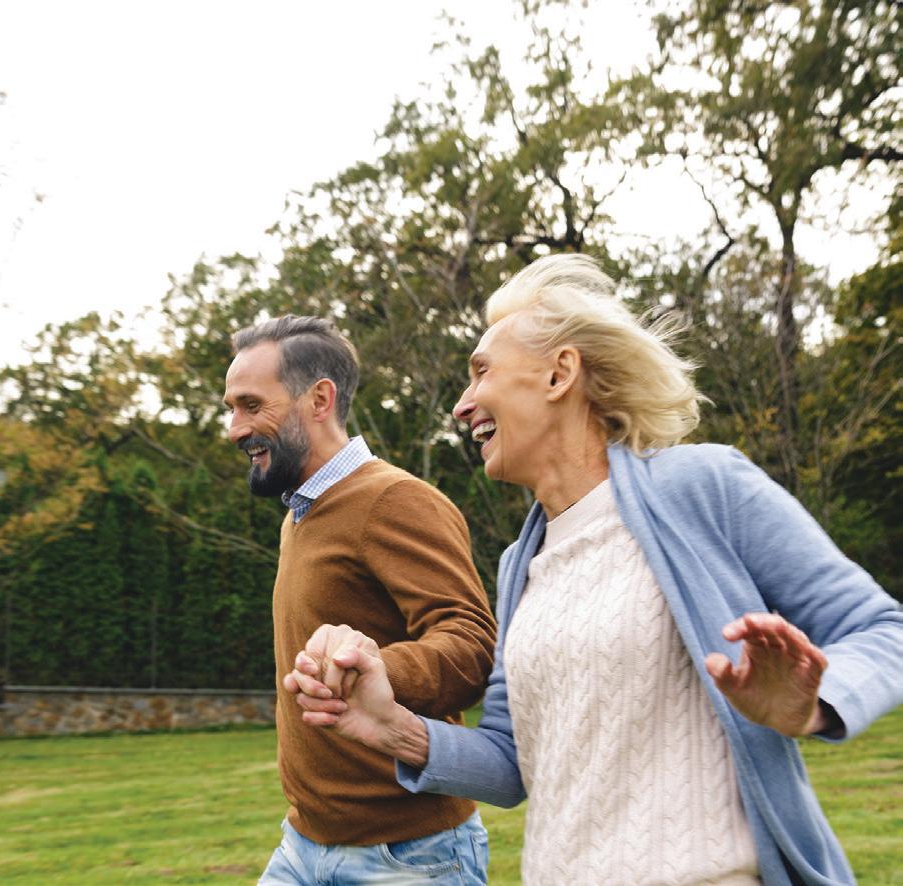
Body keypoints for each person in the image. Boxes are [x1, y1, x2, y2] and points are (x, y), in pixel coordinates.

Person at [283, 255, 903, 886]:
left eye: (481, 371)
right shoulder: (522, 564)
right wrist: (392, 728)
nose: (462, 406)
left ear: (560, 373)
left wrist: (808, 706)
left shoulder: (702, 485)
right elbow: (512, 761)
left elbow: (884, 629)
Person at [222, 315, 498, 885]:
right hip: (304, 843)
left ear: (319, 399)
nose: (234, 429)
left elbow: (472, 645)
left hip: (409, 854)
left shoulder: (394, 500)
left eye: (251, 406)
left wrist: (375, 669)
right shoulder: (300, 514)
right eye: (231, 408)